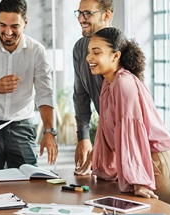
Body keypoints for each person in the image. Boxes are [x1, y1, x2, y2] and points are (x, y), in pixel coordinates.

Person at [77, 27, 170, 210]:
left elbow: (132, 134)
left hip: (161, 166)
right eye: (89, 52)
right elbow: (107, 131)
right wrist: (97, 162)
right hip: (147, 164)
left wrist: (138, 180)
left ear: (116, 56)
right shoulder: (109, 84)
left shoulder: (124, 83)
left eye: (96, 52)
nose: (89, 57)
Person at [0, 0, 58, 174]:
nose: (8, 32)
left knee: (29, 182)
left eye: (15, 26)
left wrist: (49, 131)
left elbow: (44, 93)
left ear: (25, 23)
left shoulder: (37, 51)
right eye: (2, 25)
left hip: (21, 126)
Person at [73, 0, 114, 174]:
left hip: (128, 142)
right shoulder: (80, 48)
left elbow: (125, 116)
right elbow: (80, 96)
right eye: (79, 13)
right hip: (107, 138)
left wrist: (100, 147)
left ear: (106, 16)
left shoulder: (121, 50)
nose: (81, 19)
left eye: (88, 13)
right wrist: (83, 137)